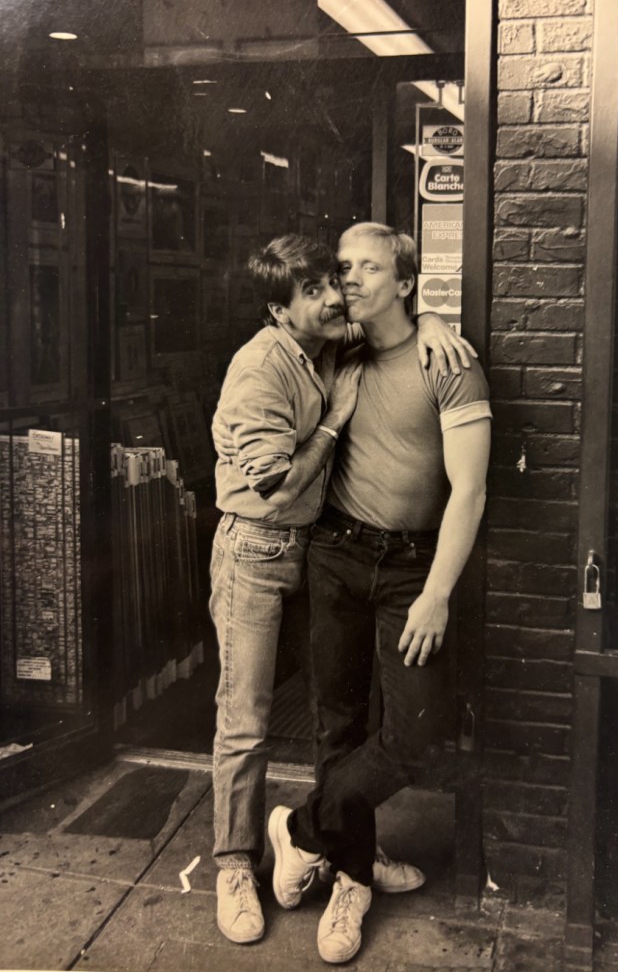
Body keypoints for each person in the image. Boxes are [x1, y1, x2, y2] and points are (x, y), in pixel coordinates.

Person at [209, 233, 475, 946]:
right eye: (321, 288)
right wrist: (332, 421)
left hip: (320, 550)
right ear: (278, 308)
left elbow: (395, 310)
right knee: (250, 717)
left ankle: (321, 838)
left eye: (340, 280)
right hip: (261, 547)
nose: (337, 294)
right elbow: (276, 482)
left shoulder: (331, 340)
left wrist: (437, 321)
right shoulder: (260, 368)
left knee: (363, 722)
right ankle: (236, 863)